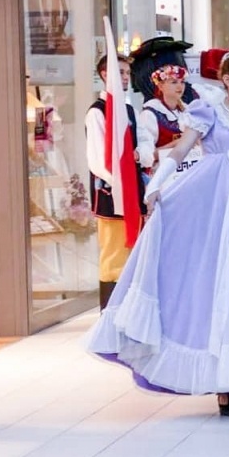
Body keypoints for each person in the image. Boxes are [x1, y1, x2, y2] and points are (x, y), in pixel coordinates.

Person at [88, 53, 229, 416]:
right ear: (227, 80)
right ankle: (222, 385)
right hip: (213, 205)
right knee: (218, 283)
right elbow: (180, 151)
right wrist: (155, 186)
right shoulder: (208, 113)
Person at [85, 55, 142, 309]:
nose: (126, 77)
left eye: (127, 72)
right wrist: (120, 184)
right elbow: (98, 161)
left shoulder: (128, 110)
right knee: (113, 256)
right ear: (105, 74)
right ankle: (109, 316)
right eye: (120, 71)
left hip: (132, 193)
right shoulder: (97, 112)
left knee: (132, 253)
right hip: (111, 195)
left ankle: (129, 313)